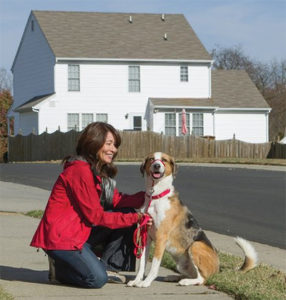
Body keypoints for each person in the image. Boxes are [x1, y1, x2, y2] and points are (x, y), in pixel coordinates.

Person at [30, 122, 151, 288]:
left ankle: (108, 268)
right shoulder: (80, 170)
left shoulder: (96, 170)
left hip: (79, 232)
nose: (114, 149)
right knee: (96, 279)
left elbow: (115, 200)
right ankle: (60, 270)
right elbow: (95, 216)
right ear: (93, 143)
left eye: (115, 145)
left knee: (126, 212)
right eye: (108, 144)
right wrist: (135, 218)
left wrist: (148, 196)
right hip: (62, 238)